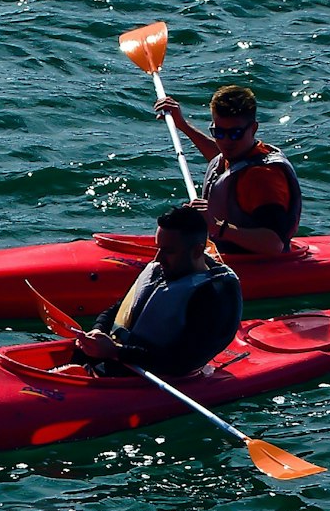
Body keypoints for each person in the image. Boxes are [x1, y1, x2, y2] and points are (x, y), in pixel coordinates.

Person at [74, 203, 242, 378]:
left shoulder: (213, 297)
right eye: (158, 248)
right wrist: (99, 330)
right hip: (117, 362)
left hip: (154, 376)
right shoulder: (161, 270)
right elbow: (117, 310)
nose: (158, 258)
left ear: (197, 251)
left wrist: (116, 352)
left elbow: (182, 361)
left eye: (169, 251)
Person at [154, 83, 302, 258]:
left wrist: (216, 226)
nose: (225, 142)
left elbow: (275, 244)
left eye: (234, 134)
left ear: (253, 128)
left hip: (257, 265)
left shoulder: (262, 178)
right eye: (218, 132)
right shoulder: (238, 154)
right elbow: (224, 165)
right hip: (226, 254)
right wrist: (182, 125)